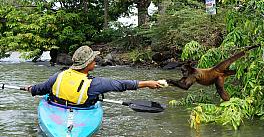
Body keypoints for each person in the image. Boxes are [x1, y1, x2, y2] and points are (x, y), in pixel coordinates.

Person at [26, 45, 163, 106]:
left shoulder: (59, 76)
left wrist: (31, 88)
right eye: (93, 60)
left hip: (58, 107)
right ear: (87, 64)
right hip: (81, 110)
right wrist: (147, 83)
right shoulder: (95, 84)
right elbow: (122, 85)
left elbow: (40, 89)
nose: (95, 61)